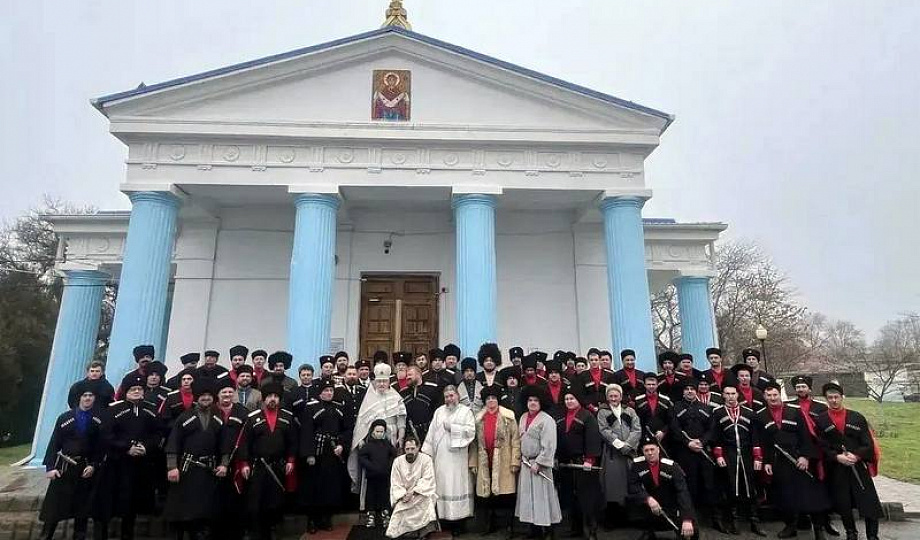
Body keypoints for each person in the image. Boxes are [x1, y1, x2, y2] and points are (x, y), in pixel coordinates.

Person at [756, 382, 830, 540]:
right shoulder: (761, 415)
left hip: (799, 459)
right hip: (779, 462)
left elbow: (806, 436)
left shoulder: (795, 411)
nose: (772, 398)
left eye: (775, 395)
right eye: (769, 395)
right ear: (764, 397)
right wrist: (767, 462)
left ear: (780, 395)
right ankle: (791, 526)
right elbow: (765, 442)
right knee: (785, 496)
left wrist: (805, 456)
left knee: (811, 495)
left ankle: (818, 529)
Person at [38, 380, 108, 540]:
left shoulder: (98, 420)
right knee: (54, 509)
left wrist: (93, 465)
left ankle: (79, 536)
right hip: (64, 468)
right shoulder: (65, 418)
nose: (88, 398)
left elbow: (100, 447)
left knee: (82, 509)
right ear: (79, 398)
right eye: (85, 395)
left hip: (84, 469)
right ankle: (46, 536)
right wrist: (50, 467)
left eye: (91, 396)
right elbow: (54, 443)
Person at [815, 382, 883, 540]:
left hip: (857, 466)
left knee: (869, 501)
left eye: (836, 397)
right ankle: (851, 532)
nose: (833, 400)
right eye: (830, 398)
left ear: (842, 397)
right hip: (837, 468)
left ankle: (872, 535)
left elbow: (868, 443)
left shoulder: (857, 417)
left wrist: (857, 456)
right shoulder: (821, 420)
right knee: (843, 502)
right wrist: (836, 457)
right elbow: (822, 446)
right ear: (826, 399)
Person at [163, 378, 228, 540]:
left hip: (209, 471)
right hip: (187, 469)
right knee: (182, 510)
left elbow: (224, 444)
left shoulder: (218, 417)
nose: (206, 398)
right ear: (196, 397)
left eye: (209, 395)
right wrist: (172, 467)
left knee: (204, 510)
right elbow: (173, 442)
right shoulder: (185, 417)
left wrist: (224, 464)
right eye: (202, 395)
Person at [103, 374, 161, 540]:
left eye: (139, 389)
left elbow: (158, 433)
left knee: (134, 502)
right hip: (119, 462)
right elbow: (107, 435)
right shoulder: (114, 409)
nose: (136, 392)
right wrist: (127, 448)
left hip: (141, 464)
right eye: (133, 389)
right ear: (126, 392)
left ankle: (127, 534)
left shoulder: (150, 409)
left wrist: (146, 447)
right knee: (115, 499)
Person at [239, 381, 297, 540]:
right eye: (269, 396)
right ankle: (257, 532)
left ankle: (273, 529)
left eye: (276, 396)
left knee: (276, 501)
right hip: (258, 466)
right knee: (256, 502)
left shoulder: (287, 417)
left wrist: (291, 460)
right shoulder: (252, 418)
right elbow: (244, 443)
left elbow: (293, 442)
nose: (272, 399)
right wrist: (244, 464)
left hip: (278, 466)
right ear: (264, 399)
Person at [786, 375, 840, 538]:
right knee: (800, 487)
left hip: (820, 452)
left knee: (824, 486)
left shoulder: (821, 407)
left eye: (803, 386)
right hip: (799, 452)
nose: (801, 389)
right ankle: (798, 521)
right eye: (798, 387)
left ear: (809, 388)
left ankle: (826, 521)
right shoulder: (789, 406)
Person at [709, 384, 765, 536]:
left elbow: (755, 436)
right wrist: (719, 455)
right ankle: (734, 521)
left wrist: (758, 457)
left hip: (747, 454)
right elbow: (716, 436)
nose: (731, 397)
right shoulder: (717, 413)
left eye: (733, 393)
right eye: (727, 394)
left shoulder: (749, 413)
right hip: (729, 454)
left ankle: (754, 522)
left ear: (737, 395)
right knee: (731, 486)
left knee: (750, 487)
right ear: (723, 395)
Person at [422, 385, 476, 535]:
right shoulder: (439, 412)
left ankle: (459, 524)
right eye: (446, 396)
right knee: (442, 487)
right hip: (441, 458)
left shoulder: (466, 412)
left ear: (458, 396)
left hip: (458, 458)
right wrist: (427, 453)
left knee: (457, 487)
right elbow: (431, 433)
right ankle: (444, 522)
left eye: (452, 395)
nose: (449, 399)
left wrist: (453, 428)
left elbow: (471, 432)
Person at [351, 363, 407, 507]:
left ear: (389, 382)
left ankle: (390, 506)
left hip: (391, 438)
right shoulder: (369, 398)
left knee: (391, 472)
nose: (381, 384)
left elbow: (401, 420)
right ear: (375, 382)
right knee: (372, 473)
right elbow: (362, 423)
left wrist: (401, 437)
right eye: (379, 381)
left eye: (384, 381)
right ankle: (369, 506)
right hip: (373, 441)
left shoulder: (396, 397)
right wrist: (361, 439)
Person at [300, 380, 352, 533]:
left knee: (330, 487)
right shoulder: (311, 407)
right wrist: (309, 454)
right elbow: (306, 432)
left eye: (331, 390)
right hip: (317, 451)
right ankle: (312, 520)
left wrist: (342, 445)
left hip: (333, 452)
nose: (329, 393)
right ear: (320, 392)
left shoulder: (339, 407)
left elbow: (347, 429)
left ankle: (326, 518)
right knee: (313, 487)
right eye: (326, 390)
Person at [668, 379, 720, 532]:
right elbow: (675, 429)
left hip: (703, 451)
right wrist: (688, 443)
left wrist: (702, 442)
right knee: (689, 485)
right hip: (684, 452)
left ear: (697, 391)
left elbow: (711, 429)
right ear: (683, 392)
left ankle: (715, 519)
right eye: (687, 389)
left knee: (709, 484)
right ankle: (691, 518)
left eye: (692, 389)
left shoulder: (706, 408)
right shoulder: (675, 408)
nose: (690, 391)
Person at [469, 385, 521, 537]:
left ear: (498, 400)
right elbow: (474, 443)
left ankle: (510, 526)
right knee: (487, 496)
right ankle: (489, 525)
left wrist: (515, 461)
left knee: (507, 495)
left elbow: (515, 440)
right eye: (488, 399)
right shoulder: (479, 419)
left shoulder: (508, 417)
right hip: (485, 460)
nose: (491, 401)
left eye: (493, 398)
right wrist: (473, 462)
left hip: (504, 460)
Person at [628, 435, 698, 540]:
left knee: (692, 533)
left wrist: (687, 519)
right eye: (646, 450)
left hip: (671, 507)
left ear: (658, 449)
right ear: (643, 452)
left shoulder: (672, 466)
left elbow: (682, 492)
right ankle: (648, 531)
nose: (650, 453)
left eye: (652, 449)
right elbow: (633, 486)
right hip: (650, 508)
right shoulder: (637, 465)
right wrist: (647, 499)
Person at [556, 388, 603, 540]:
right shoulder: (560, 417)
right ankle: (576, 529)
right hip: (565, 464)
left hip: (583, 464)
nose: (569, 401)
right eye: (566, 399)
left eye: (572, 398)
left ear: (578, 400)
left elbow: (593, 438)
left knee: (587, 498)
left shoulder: (587, 416)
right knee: (571, 498)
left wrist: (589, 459)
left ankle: (592, 530)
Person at [515, 386, 562, 539]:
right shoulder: (523, 417)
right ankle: (533, 530)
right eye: (530, 400)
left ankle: (548, 530)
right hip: (526, 463)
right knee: (528, 498)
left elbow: (550, 445)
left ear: (541, 402)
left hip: (539, 465)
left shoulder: (547, 420)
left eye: (536, 400)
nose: (533, 403)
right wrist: (521, 457)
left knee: (543, 497)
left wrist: (540, 462)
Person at [596, 384, 641, 528]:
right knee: (613, 486)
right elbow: (604, 430)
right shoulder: (602, 412)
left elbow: (637, 430)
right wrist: (620, 445)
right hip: (612, 454)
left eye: (616, 396)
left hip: (629, 453)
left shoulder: (630, 411)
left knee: (629, 484)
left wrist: (628, 445)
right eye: (611, 396)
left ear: (621, 397)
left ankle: (629, 518)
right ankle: (612, 519)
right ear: (607, 397)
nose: (614, 398)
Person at [214, 377, 249, 540]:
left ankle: (236, 532)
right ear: (218, 394)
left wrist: (244, 461)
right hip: (215, 462)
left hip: (236, 462)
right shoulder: (212, 410)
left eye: (230, 391)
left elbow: (247, 438)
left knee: (235, 497)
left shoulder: (242, 411)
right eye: (224, 392)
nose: (227, 395)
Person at [386, 437, 439, 539]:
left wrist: (414, 492)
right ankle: (408, 534)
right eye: (407, 449)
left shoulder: (426, 460)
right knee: (400, 511)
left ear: (418, 448)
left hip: (421, 494)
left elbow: (428, 479)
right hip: (404, 496)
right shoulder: (397, 462)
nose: (410, 451)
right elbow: (395, 482)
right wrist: (403, 495)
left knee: (427, 503)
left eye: (413, 448)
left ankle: (423, 533)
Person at [358, 419, 398, 529]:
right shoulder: (368, 445)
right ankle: (370, 515)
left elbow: (393, 455)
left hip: (385, 476)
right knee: (370, 495)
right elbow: (362, 457)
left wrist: (388, 466)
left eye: (382, 431)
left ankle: (385, 514)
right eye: (377, 431)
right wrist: (371, 467)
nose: (379, 434)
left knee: (385, 495)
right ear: (373, 432)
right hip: (372, 476)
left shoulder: (387, 444)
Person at [400, 364, 439, 444]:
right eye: (407, 376)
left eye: (410, 375)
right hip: (410, 434)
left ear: (418, 374)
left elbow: (437, 410)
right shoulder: (403, 393)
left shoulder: (431, 389)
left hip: (429, 432)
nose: (407, 378)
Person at [635, 372, 673, 448]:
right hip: (645, 437)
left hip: (664, 438)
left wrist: (663, 431)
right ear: (644, 385)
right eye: (649, 384)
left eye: (653, 384)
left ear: (657, 384)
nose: (651, 386)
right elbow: (637, 421)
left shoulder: (665, 400)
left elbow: (671, 420)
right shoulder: (638, 400)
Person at [574, 348, 616, 413]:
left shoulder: (609, 375)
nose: (594, 362)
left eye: (596, 360)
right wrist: (591, 407)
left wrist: (606, 406)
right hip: (588, 410)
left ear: (599, 360)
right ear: (588, 361)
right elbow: (580, 395)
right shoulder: (582, 376)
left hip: (606, 408)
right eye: (591, 360)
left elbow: (612, 392)